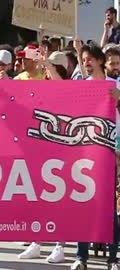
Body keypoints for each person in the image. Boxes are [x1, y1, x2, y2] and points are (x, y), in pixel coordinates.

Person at [71, 43, 120, 270]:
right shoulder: (82, 87)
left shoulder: (116, 85)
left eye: (90, 58)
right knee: (83, 205)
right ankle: (81, 257)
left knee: (110, 208)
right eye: (84, 59)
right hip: (86, 153)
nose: (87, 63)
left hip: (111, 152)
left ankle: (113, 258)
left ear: (100, 60)